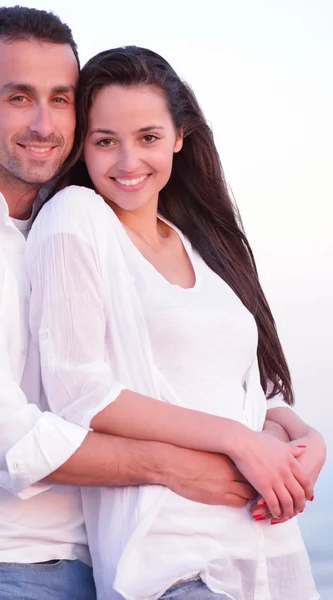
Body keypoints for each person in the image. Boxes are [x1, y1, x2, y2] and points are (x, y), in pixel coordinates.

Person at [0, 7, 269, 600]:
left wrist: (287, 429)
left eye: (60, 98)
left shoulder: (69, 225)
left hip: (102, 561)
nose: (43, 123)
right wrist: (176, 465)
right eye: (17, 97)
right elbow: (5, 440)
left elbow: (174, 374)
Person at [26, 46, 326, 600]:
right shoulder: (75, 217)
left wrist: (304, 437)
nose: (127, 161)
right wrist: (239, 441)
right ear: (81, 146)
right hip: (172, 562)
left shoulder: (201, 243)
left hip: (262, 554)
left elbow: (251, 390)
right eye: (104, 140)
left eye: (148, 137)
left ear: (180, 136)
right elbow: (80, 393)